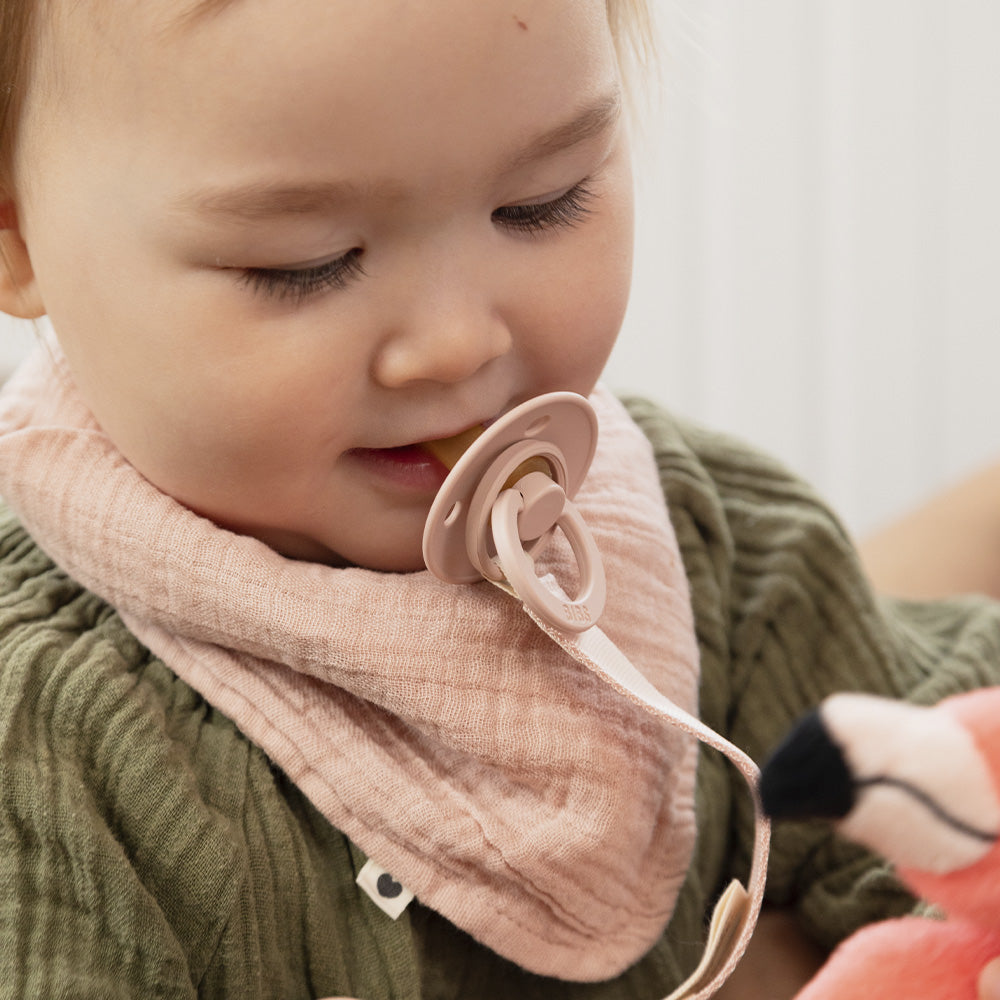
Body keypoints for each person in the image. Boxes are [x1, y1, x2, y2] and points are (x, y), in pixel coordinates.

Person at [1, 1, 999, 997]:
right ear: (18, 235)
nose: (458, 344)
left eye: (542, 202)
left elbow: (949, 792)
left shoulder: (722, 543)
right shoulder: (41, 740)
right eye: (305, 264)